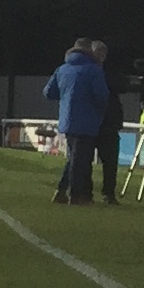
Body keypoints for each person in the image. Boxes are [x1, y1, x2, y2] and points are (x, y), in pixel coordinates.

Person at [45, 38, 107, 203]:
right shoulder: (94, 70)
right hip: (88, 120)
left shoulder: (62, 69)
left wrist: (66, 96)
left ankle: (63, 191)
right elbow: (101, 96)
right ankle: (75, 194)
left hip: (67, 119)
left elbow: (48, 92)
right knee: (79, 160)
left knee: (74, 158)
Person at [90, 41, 123, 203]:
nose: (101, 57)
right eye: (99, 53)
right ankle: (85, 191)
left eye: (104, 53)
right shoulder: (88, 70)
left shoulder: (111, 73)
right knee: (83, 160)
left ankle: (108, 193)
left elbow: (120, 87)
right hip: (92, 121)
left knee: (110, 162)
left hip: (108, 123)